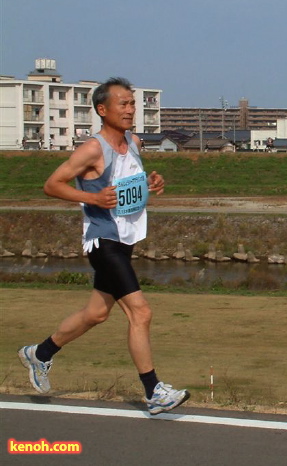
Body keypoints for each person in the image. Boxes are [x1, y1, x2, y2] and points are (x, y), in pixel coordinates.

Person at [17, 77, 190, 415]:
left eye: (132, 103)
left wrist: (152, 180)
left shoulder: (134, 142)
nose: (130, 109)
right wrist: (91, 197)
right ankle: (154, 391)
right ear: (102, 109)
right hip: (103, 240)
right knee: (141, 312)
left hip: (125, 240)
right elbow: (52, 185)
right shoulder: (92, 149)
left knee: (96, 313)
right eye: (123, 104)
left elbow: (129, 183)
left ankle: (39, 354)